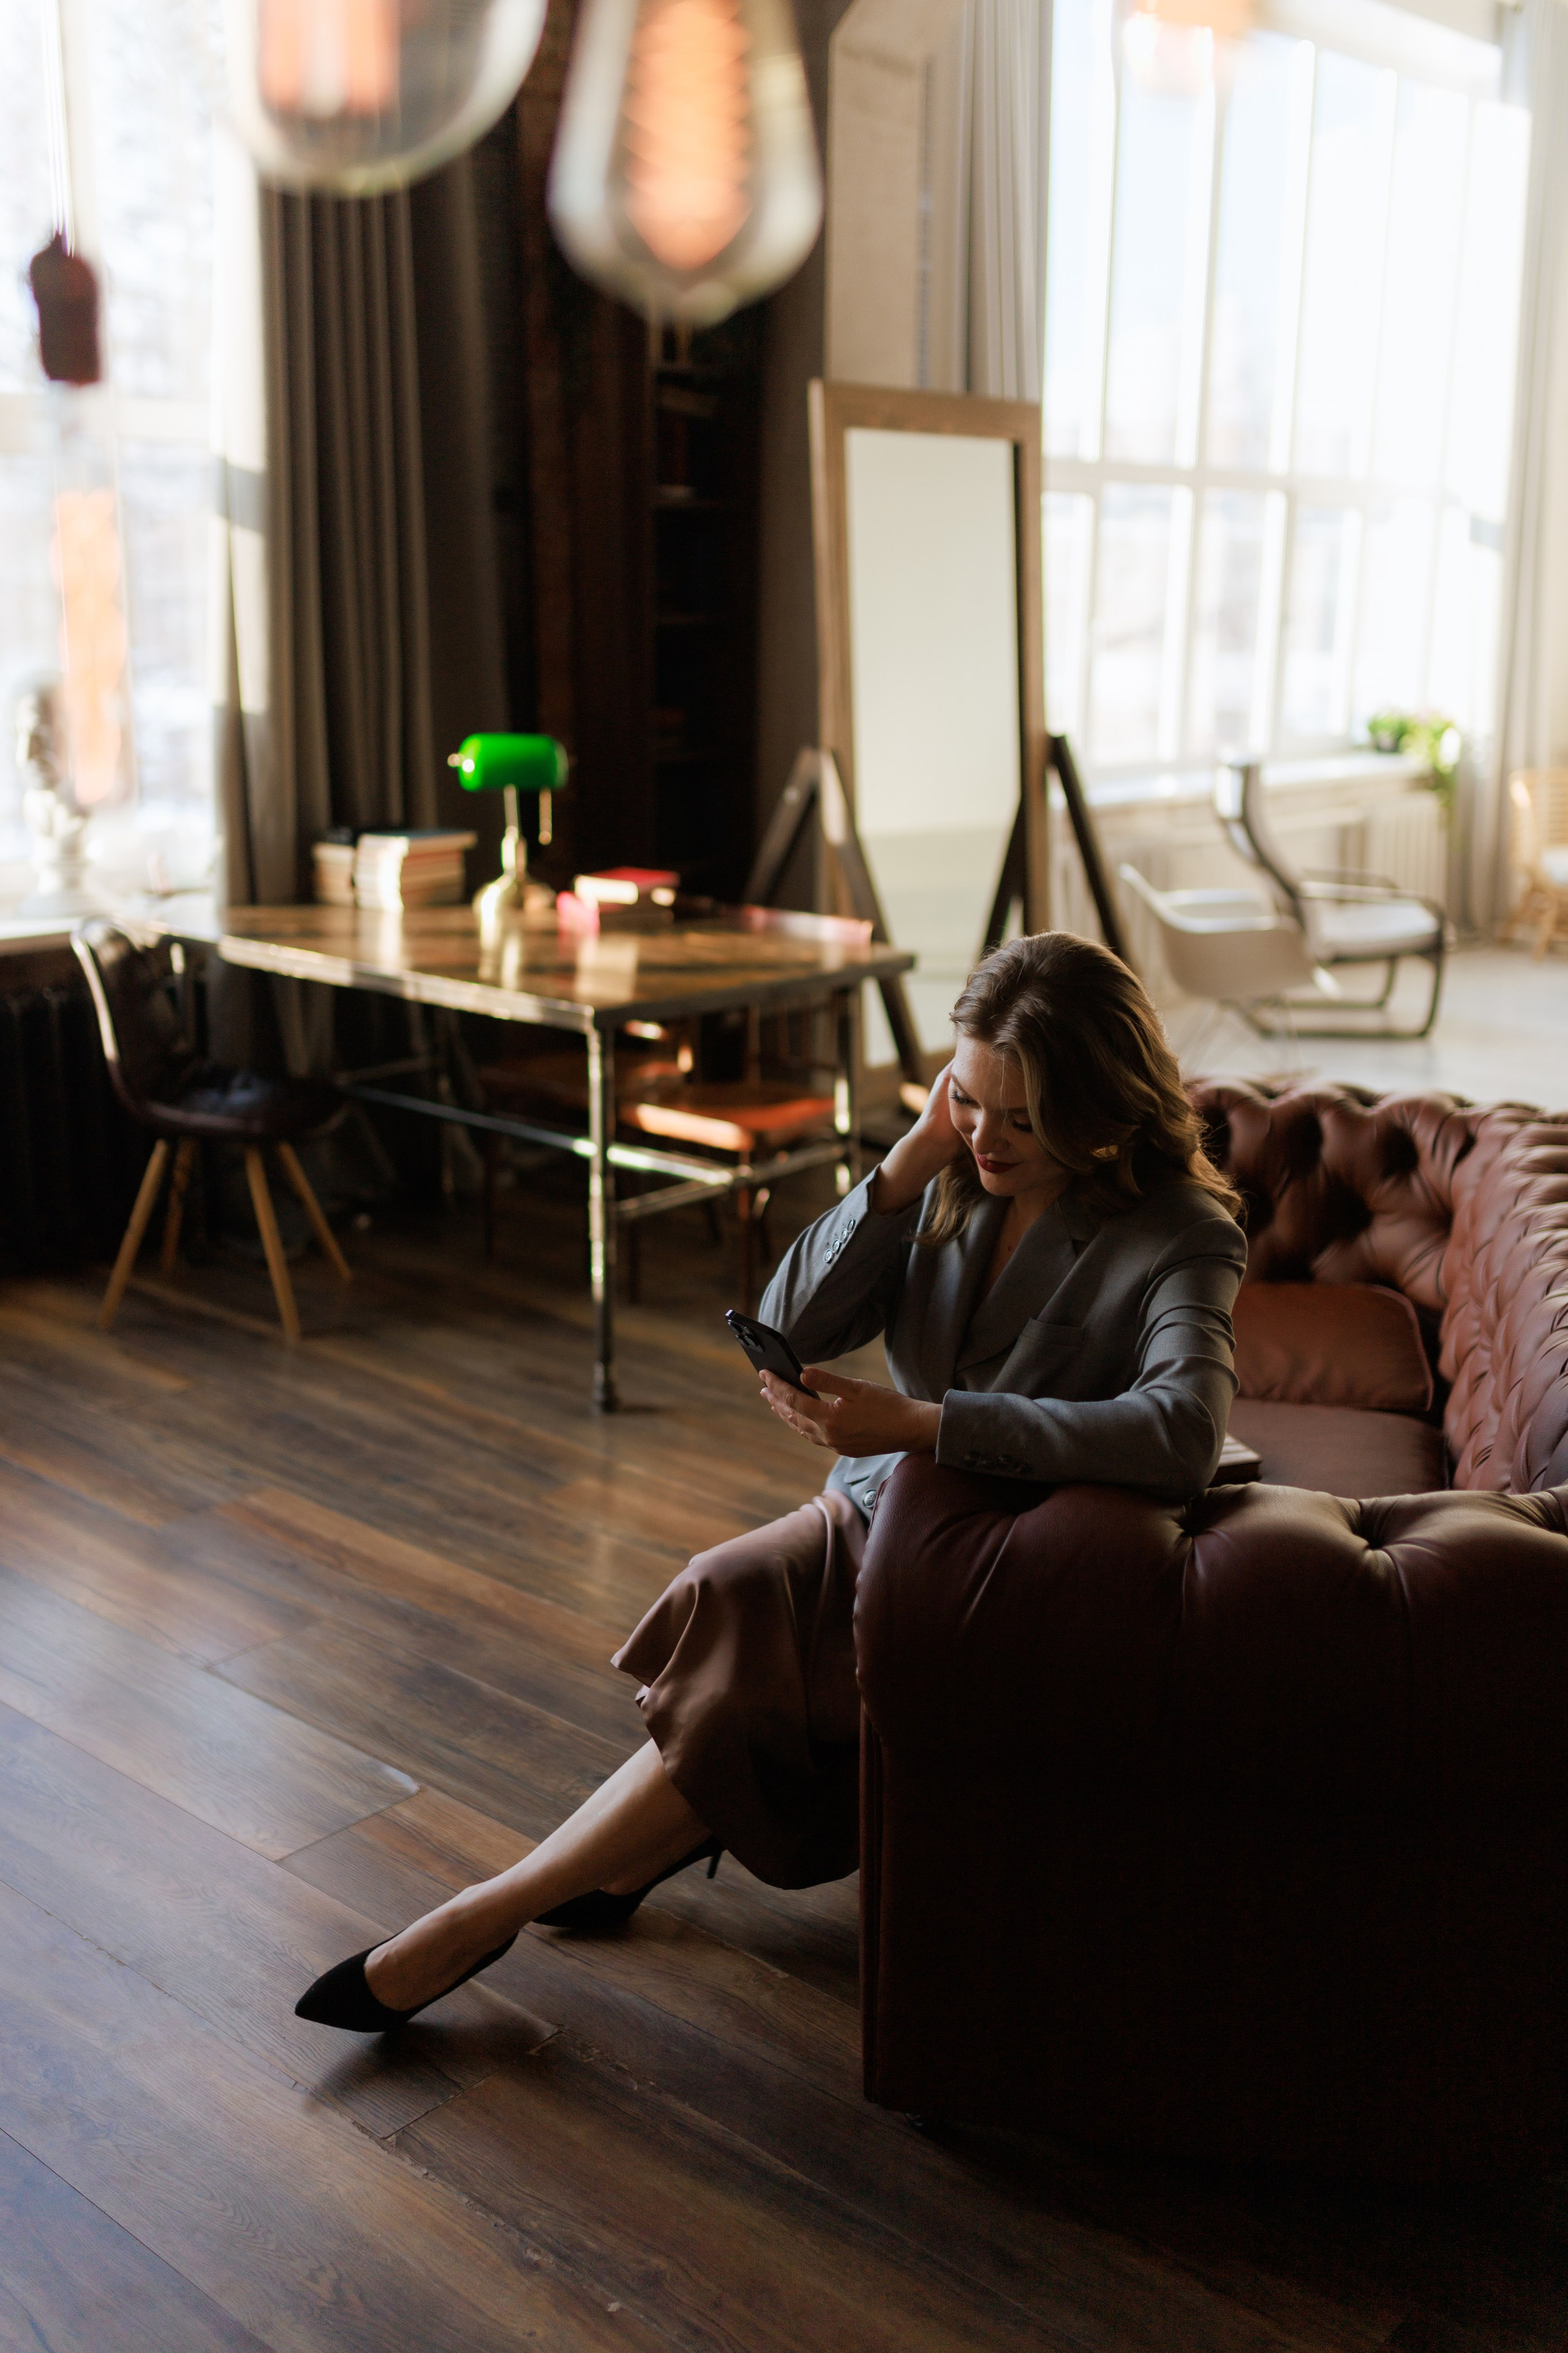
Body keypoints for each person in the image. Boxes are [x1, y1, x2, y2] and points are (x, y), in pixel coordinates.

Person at [296, 932, 1247, 2031]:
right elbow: (787, 1322)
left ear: (1104, 1109)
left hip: (1000, 1552)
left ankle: (481, 1913)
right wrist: (906, 1160)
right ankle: (583, 1879)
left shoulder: (1184, 1232)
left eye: (1024, 1119)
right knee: (731, 1586)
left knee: (758, 1669)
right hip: (878, 1502)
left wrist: (927, 1423)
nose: (989, 1136)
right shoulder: (950, 1172)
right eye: (970, 1098)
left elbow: (1180, 1433)